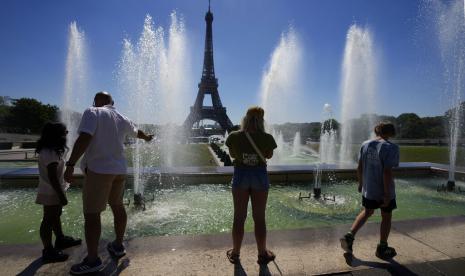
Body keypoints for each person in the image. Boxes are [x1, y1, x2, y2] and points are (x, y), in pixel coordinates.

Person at [64, 91, 153, 274]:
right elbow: (138, 133)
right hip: (119, 170)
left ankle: (93, 259)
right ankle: (118, 245)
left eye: (95, 99)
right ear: (113, 102)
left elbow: (85, 137)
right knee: (118, 206)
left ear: (97, 101)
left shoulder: (93, 111)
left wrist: (71, 163)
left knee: (92, 214)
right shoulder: (122, 117)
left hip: (99, 170)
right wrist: (147, 138)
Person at [225, 106, 277, 265]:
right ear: (261, 120)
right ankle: (262, 254)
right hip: (259, 176)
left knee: (239, 217)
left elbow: (233, 155)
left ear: (245, 118)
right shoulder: (267, 138)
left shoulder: (234, 137)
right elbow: (268, 155)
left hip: (241, 175)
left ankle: (235, 253)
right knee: (259, 218)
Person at [340, 121, 400, 259]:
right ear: (391, 132)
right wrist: (386, 194)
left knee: (367, 212)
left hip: (369, 189)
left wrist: (361, 184)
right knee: (386, 216)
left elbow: (359, 167)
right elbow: (387, 172)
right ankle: (382, 248)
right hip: (384, 190)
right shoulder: (391, 147)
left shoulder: (365, 144)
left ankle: (349, 236)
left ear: (377, 131)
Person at [35, 122, 82, 262]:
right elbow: (52, 176)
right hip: (51, 191)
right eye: (65, 132)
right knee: (48, 220)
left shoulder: (52, 150)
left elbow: (56, 175)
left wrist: (66, 181)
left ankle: (60, 239)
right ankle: (48, 250)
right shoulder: (50, 152)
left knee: (55, 216)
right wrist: (61, 196)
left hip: (53, 189)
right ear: (57, 135)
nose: (67, 134)